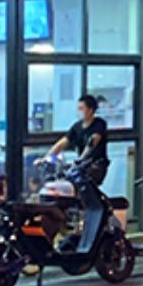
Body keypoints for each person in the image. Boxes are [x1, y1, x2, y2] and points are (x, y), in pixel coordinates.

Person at [41, 93, 109, 247]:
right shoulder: (77, 127)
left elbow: (93, 142)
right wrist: (47, 157)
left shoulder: (99, 124)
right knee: (62, 184)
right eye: (78, 108)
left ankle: (89, 220)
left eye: (81, 108)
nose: (79, 111)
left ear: (90, 110)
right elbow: (63, 142)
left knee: (84, 187)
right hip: (81, 167)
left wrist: (81, 159)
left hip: (95, 166)